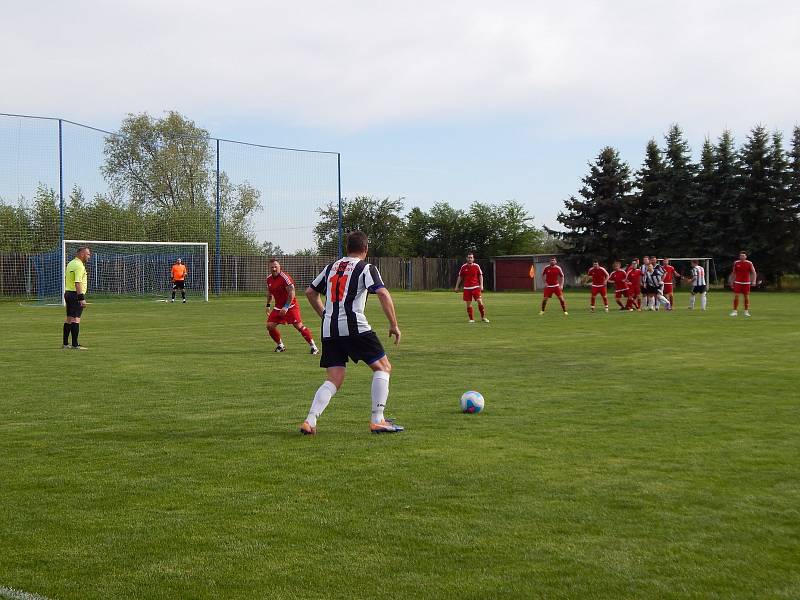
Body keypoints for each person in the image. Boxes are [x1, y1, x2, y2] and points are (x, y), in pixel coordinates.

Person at [300, 231, 403, 435]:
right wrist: (394, 324)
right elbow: (382, 292)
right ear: (366, 249)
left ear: (347, 249)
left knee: (334, 377)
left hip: (329, 329)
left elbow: (310, 292)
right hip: (355, 326)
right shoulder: (367, 268)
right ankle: (377, 419)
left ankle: (310, 421)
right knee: (383, 367)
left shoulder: (331, 267)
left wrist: (325, 314)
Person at [265, 258, 319, 354]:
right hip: (278, 307)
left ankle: (314, 347)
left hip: (290, 306)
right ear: (269, 268)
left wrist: (286, 307)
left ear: (279, 267)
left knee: (299, 326)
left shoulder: (285, 277)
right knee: (270, 326)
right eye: (271, 267)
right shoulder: (269, 279)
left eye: (275, 267)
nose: (274, 269)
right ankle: (280, 345)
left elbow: (292, 292)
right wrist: (268, 305)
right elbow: (269, 293)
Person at [62, 246, 91, 350]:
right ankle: (75, 345)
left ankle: (65, 344)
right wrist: (81, 298)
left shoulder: (71, 263)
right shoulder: (79, 266)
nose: (89, 256)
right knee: (76, 319)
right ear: (82, 254)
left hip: (68, 293)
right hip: (75, 294)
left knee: (69, 318)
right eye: (88, 254)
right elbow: (77, 283)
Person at [454, 253, 489, 323]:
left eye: (471, 257)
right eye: (468, 257)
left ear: (473, 259)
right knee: (468, 304)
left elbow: (480, 275)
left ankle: (483, 317)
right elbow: (460, 276)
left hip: (476, 287)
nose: (470, 259)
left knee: (479, 301)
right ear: (466, 258)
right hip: (467, 288)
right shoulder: (463, 267)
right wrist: (456, 286)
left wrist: (481, 285)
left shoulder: (477, 266)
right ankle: (471, 319)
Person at [729, 251, 756, 317]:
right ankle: (735, 311)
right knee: (736, 296)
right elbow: (733, 273)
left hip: (746, 282)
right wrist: (731, 281)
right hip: (738, 282)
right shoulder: (736, 263)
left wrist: (754, 281)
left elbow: (753, 272)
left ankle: (746, 312)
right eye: (741, 256)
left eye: (743, 256)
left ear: (746, 256)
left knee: (746, 297)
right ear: (739, 256)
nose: (742, 257)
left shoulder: (749, 263)